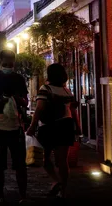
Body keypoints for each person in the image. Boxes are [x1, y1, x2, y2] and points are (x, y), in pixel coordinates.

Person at [26, 64, 81, 198]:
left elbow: (39, 108)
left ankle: (56, 181)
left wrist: (32, 126)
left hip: (49, 126)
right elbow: (73, 111)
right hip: (66, 126)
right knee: (63, 161)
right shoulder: (67, 91)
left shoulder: (46, 89)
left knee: (44, 158)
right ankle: (63, 190)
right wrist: (78, 127)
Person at [0, 50, 29, 205]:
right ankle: (0, 195)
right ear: (0, 62)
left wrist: (18, 99)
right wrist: (3, 100)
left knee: (20, 164)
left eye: (11, 63)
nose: (8, 66)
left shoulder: (19, 78)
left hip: (15, 125)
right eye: (6, 63)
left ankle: (23, 196)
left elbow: (25, 101)